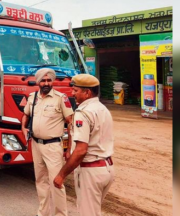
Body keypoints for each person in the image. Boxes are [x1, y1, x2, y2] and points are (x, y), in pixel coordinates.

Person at [53, 74, 115, 216]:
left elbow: (81, 150)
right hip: (107, 169)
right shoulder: (103, 109)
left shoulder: (83, 112)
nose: (72, 93)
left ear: (87, 92)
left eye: (76, 90)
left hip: (91, 171)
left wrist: (61, 175)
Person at [21, 68, 73, 216]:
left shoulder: (61, 98)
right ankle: (43, 213)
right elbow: (25, 114)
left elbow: (70, 123)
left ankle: (60, 214)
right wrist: (23, 128)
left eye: (49, 80)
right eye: (43, 80)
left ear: (52, 81)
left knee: (57, 182)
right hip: (36, 145)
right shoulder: (33, 97)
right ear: (38, 82)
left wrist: (68, 149)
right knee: (40, 181)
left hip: (52, 146)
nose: (46, 83)